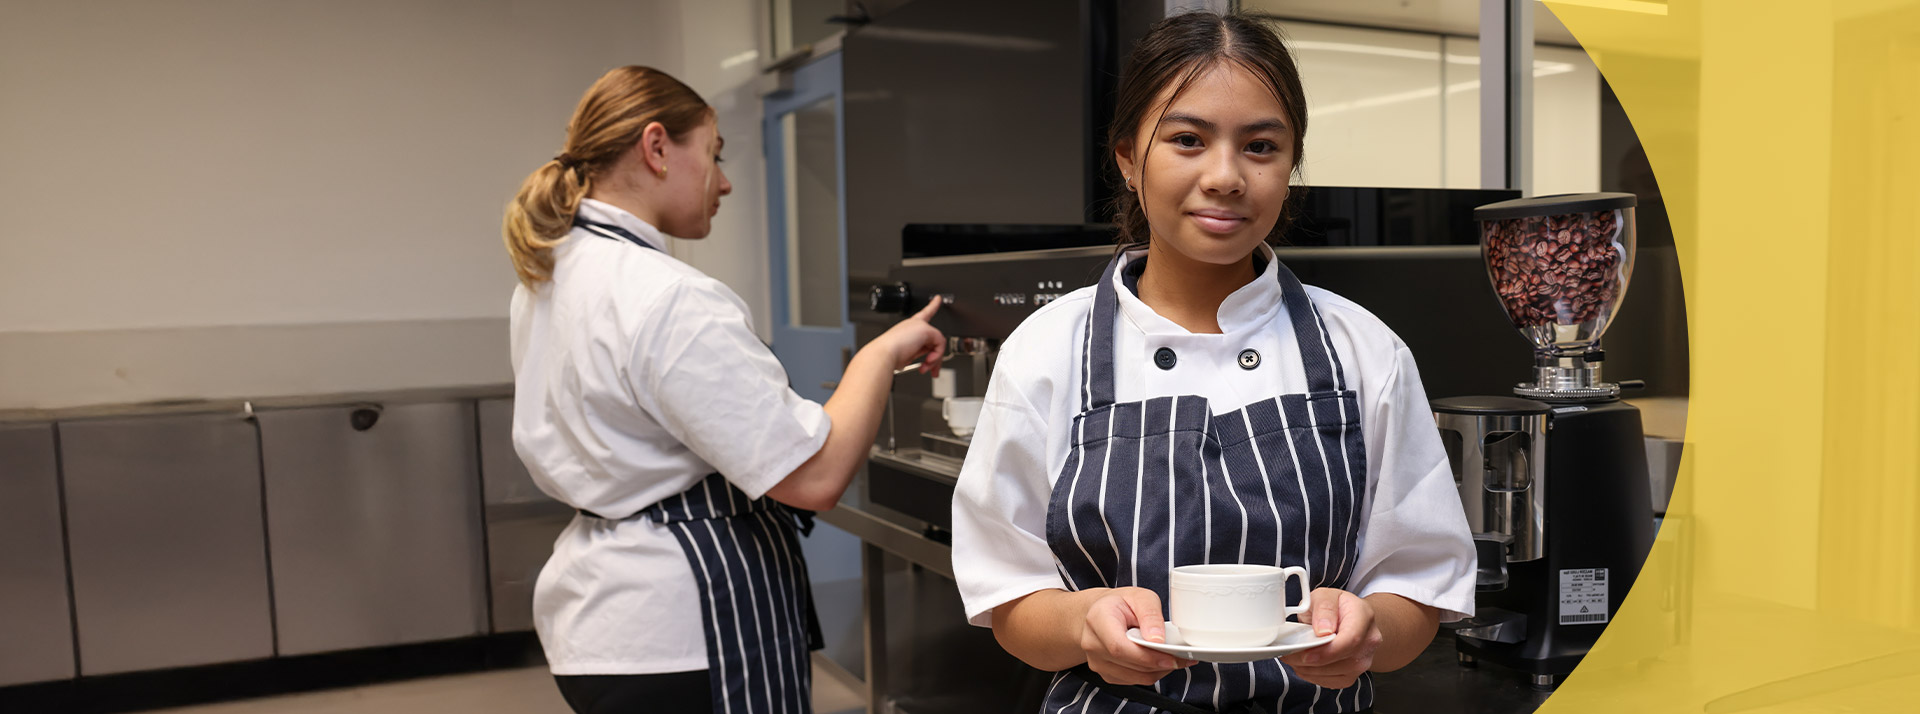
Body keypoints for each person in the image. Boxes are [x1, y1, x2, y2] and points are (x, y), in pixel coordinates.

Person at [950, 12, 1475, 714]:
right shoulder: (1046, 350)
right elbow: (1010, 601)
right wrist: (1082, 623)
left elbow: (1419, 588)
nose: (1226, 177)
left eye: (1260, 146)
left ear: (1290, 168)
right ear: (1129, 159)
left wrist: (1367, 630)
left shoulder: (1364, 349)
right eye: (1188, 140)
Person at [502, 66, 945, 714]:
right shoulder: (667, 296)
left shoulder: (549, 276)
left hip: (600, 625)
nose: (725, 182)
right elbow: (815, 477)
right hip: (689, 628)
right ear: (657, 147)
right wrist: (880, 355)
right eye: (714, 154)